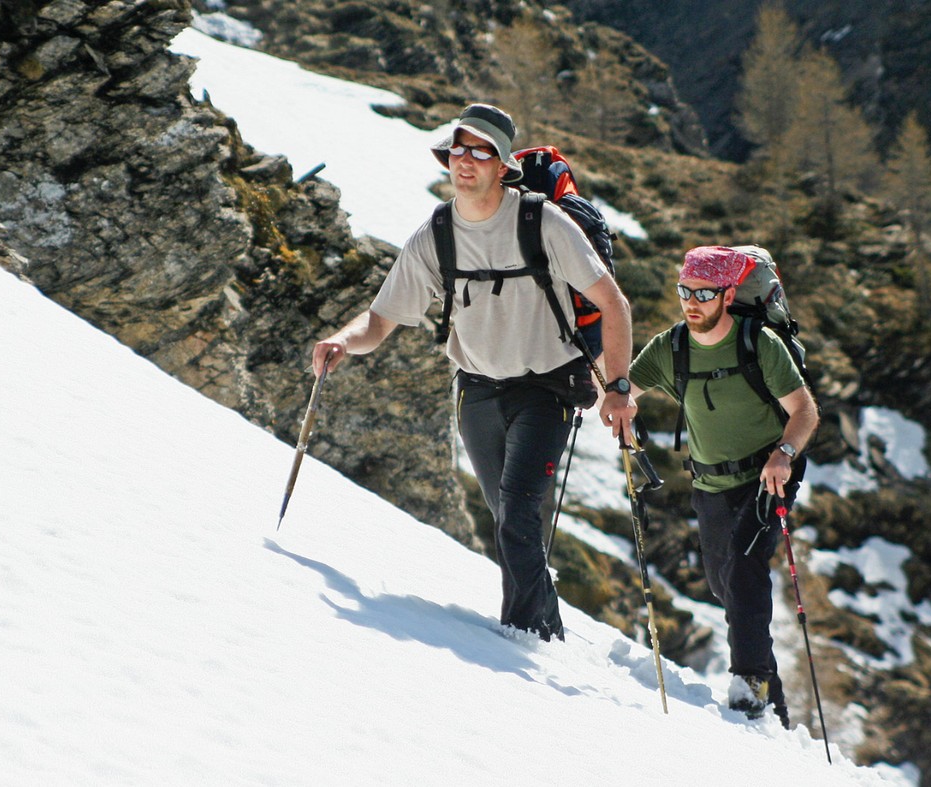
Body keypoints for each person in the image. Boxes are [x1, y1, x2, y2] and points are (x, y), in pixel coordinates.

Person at [311, 103, 637, 641]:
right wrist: (342, 342)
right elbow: (381, 319)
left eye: (480, 150)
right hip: (477, 392)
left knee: (517, 515)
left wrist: (619, 387)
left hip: (548, 386)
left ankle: (524, 644)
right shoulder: (436, 233)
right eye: (457, 149)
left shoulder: (544, 222)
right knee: (508, 519)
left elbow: (613, 304)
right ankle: (549, 630)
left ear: (502, 164)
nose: (465, 160)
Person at [627, 246, 819, 725]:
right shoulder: (671, 346)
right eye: (685, 292)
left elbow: (805, 412)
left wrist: (784, 455)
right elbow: (624, 386)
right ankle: (775, 713)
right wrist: (617, 402)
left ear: (728, 294)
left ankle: (750, 689)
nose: (691, 302)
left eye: (704, 293)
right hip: (709, 482)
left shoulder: (760, 344)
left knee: (745, 564)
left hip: (767, 476)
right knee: (724, 585)